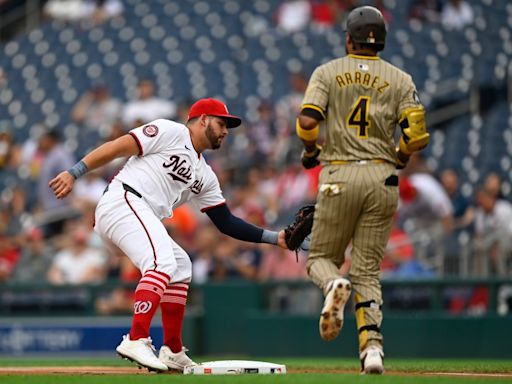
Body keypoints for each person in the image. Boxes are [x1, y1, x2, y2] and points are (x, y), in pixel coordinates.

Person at [49, 98, 290, 372]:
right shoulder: (170, 131)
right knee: (162, 261)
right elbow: (118, 147)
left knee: (181, 265)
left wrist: (275, 237)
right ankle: (136, 337)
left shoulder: (206, 175)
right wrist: (75, 172)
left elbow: (226, 222)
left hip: (139, 216)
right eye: (222, 123)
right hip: (123, 200)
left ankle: (173, 350)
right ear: (202, 120)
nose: (226, 131)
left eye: (228, 127)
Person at [295, 6, 429, 374]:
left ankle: (333, 284)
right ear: (381, 40)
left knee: (321, 259)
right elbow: (416, 135)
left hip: (339, 174)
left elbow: (307, 122)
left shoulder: (327, 72)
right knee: (368, 272)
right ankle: (372, 350)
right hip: (382, 177)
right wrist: (400, 156)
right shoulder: (401, 79)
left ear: (348, 38)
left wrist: (310, 152)